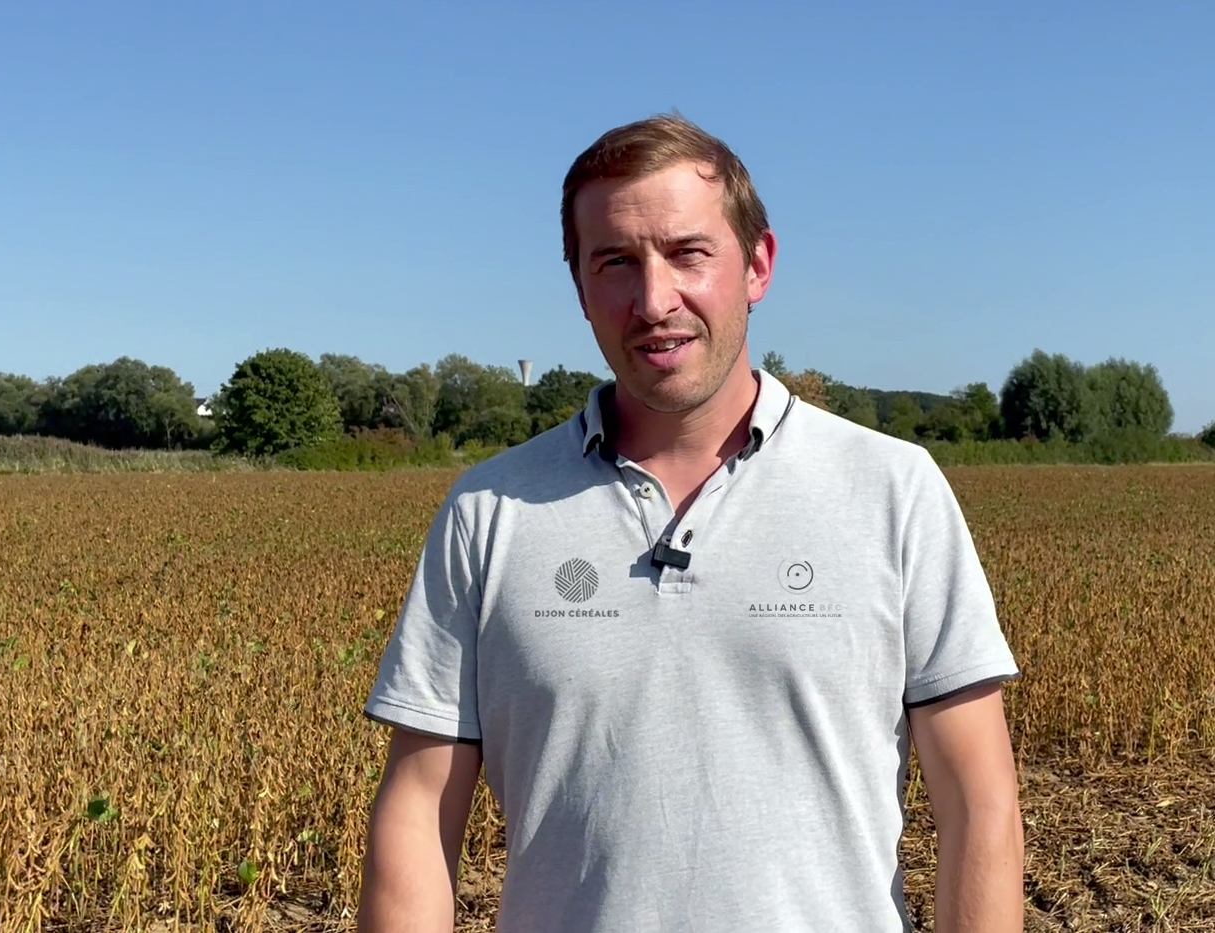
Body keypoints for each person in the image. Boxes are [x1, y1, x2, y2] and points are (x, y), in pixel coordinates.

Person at [357, 114, 1024, 932]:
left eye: (687, 252)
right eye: (615, 263)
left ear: (758, 265)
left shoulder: (893, 491)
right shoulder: (488, 514)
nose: (653, 299)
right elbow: (419, 815)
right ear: (579, 289)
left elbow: (977, 803)